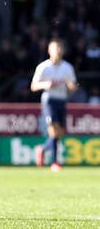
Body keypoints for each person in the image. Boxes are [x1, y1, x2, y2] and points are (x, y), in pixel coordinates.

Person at [30, 39, 78, 171]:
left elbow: (73, 86)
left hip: (62, 100)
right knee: (54, 129)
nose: (58, 51)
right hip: (49, 100)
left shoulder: (67, 67)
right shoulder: (43, 67)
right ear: (49, 51)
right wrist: (46, 84)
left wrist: (72, 87)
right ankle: (54, 162)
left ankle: (42, 149)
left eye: (60, 48)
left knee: (59, 133)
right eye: (55, 48)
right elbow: (33, 86)